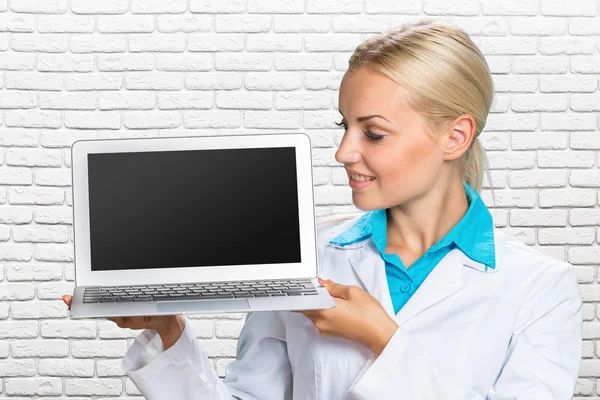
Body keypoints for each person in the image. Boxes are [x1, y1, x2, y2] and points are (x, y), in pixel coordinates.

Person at [63, 19, 583, 400]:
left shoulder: (539, 289)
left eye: (373, 133)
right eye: (345, 126)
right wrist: (169, 332)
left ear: (456, 136)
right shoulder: (306, 258)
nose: (343, 152)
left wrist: (380, 337)